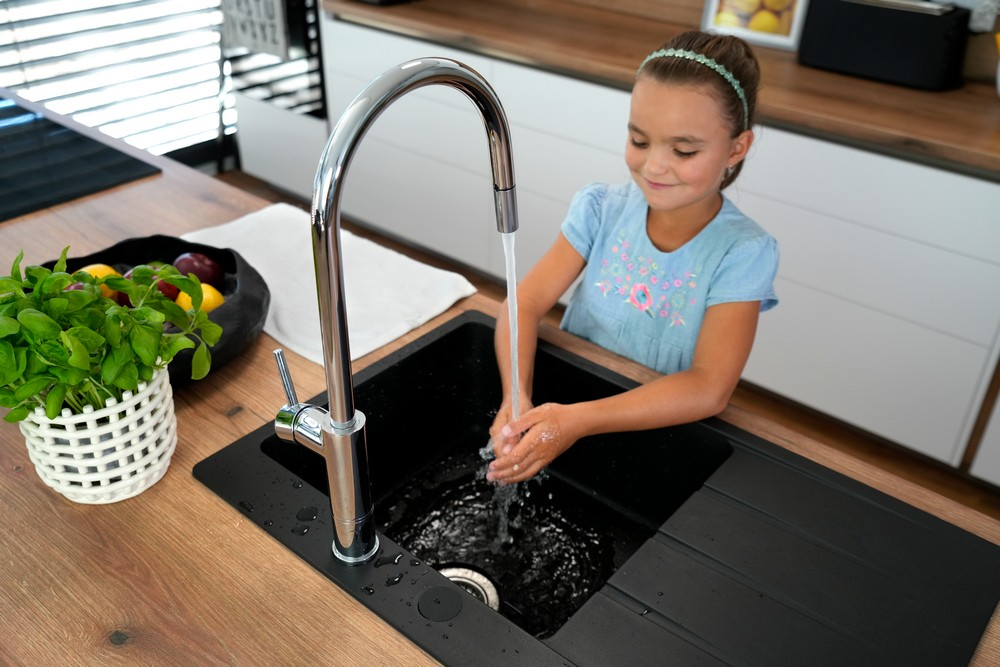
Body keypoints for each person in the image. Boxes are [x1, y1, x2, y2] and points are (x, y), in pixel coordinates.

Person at [486, 30, 779, 484]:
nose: (654, 165)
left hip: (654, 431)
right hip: (570, 408)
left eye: (684, 150)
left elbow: (709, 387)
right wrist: (516, 396)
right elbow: (522, 305)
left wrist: (577, 421)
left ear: (736, 148)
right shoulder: (601, 209)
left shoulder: (743, 252)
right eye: (640, 141)